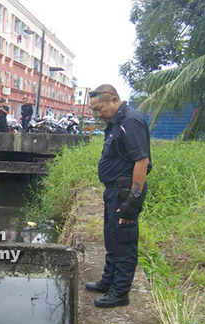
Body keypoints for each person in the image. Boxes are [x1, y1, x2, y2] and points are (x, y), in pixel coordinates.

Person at [85, 84, 151, 308]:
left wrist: (132, 200)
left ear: (114, 100)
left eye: (99, 108)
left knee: (123, 241)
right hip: (113, 191)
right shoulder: (116, 122)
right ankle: (109, 281)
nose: (97, 114)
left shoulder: (130, 121)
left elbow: (142, 161)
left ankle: (120, 293)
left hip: (125, 192)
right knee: (112, 237)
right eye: (94, 110)